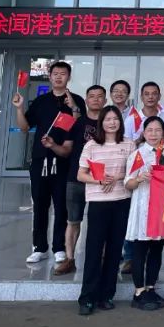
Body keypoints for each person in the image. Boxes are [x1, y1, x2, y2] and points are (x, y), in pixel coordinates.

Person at [12, 60, 84, 267]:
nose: (59, 77)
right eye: (55, 74)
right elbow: (24, 127)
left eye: (63, 74)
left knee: (61, 205)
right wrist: (19, 108)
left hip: (64, 160)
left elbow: (80, 126)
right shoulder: (41, 101)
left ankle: (59, 247)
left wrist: (74, 108)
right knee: (40, 204)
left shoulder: (76, 100)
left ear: (69, 77)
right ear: (50, 77)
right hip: (40, 159)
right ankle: (39, 247)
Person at [76, 105, 132, 315]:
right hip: (98, 202)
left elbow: (133, 172)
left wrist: (115, 178)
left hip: (121, 201)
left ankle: (106, 295)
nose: (112, 123)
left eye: (115, 119)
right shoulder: (91, 145)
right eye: (107, 119)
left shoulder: (128, 144)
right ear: (101, 123)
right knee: (94, 250)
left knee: (114, 250)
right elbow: (81, 174)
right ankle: (87, 298)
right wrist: (99, 181)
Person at [124, 116, 164, 310]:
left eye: (158, 130)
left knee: (157, 249)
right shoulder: (138, 154)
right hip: (144, 207)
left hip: (162, 207)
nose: (154, 134)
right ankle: (139, 291)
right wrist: (139, 179)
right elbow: (127, 183)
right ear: (144, 133)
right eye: (150, 130)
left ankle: (151, 287)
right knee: (140, 250)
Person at [57, 84, 105, 276]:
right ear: (86, 100)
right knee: (73, 220)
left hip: (101, 180)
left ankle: (101, 259)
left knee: (100, 222)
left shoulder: (110, 122)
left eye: (100, 96)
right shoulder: (77, 123)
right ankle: (69, 259)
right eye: (92, 96)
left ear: (105, 100)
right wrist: (52, 146)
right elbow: (66, 149)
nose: (96, 99)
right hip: (76, 178)